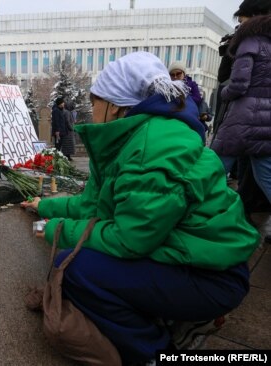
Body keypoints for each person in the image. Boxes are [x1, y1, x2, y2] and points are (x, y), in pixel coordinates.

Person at [21, 52, 258, 364]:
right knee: (88, 262)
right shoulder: (134, 138)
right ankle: (170, 320)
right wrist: (47, 207)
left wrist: (54, 230)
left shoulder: (150, 148)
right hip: (194, 259)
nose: (91, 111)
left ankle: (156, 352)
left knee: (77, 270)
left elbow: (129, 239)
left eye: (95, 101)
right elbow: (94, 205)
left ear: (115, 105)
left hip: (211, 277)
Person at [211, 7, 271, 204]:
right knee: (266, 178)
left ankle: (205, 219)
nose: (240, 25)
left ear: (253, 18)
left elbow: (238, 85)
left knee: (214, 171)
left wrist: (224, 93)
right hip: (266, 121)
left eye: (242, 20)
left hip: (242, 118)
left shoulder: (249, 43)